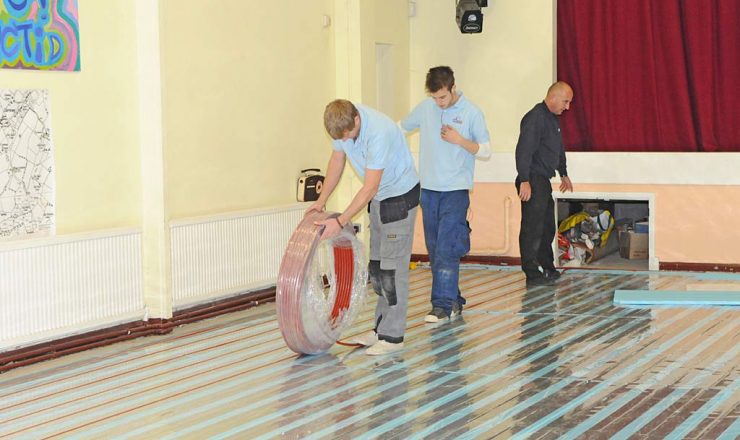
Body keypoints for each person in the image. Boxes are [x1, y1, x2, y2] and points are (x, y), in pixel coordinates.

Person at [308, 99, 420, 355]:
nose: (345, 141)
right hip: (379, 198)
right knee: (378, 267)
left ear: (357, 120)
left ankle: (393, 337)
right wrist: (321, 200)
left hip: (399, 198)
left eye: (348, 135)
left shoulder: (378, 131)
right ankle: (380, 328)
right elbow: (337, 161)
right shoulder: (341, 120)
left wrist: (340, 221)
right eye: (341, 138)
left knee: (392, 270)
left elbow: (369, 186)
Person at [400, 66, 491, 323]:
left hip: (455, 190)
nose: (439, 103)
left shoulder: (471, 112)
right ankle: (454, 300)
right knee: (434, 249)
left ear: (453, 88)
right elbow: (400, 128)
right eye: (434, 98)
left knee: (447, 248)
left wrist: (460, 140)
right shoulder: (426, 108)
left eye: (442, 97)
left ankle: (441, 306)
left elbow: (485, 151)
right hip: (428, 190)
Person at [515, 81, 574, 287]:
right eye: (565, 102)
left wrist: (563, 172)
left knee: (547, 226)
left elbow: (557, 148)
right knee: (532, 228)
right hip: (532, 179)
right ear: (553, 97)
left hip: (543, 180)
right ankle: (532, 273)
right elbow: (523, 151)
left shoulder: (552, 119)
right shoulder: (535, 118)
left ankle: (547, 267)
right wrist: (524, 180)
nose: (567, 107)